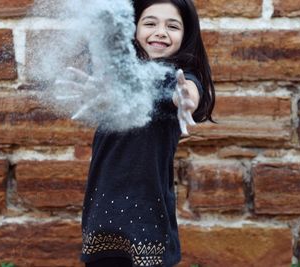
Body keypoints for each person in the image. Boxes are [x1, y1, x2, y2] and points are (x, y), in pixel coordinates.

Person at [80, 0, 216, 266]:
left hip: (147, 215)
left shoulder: (174, 77)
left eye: (172, 26)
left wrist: (186, 97)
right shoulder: (117, 76)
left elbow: (189, 89)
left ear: (185, 35)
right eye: (150, 23)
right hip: (103, 212)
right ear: (133, 28)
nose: (161, 32)